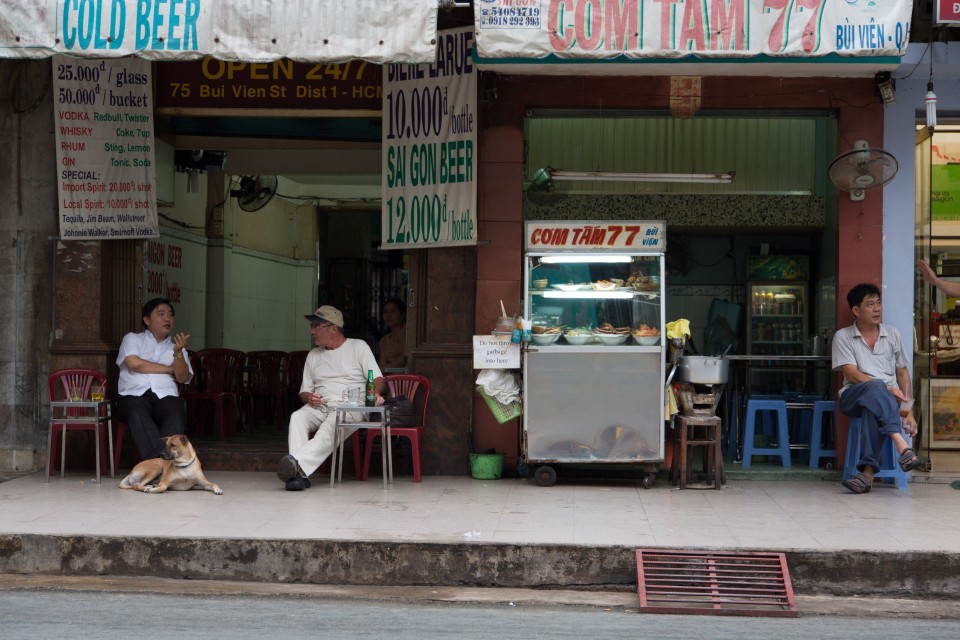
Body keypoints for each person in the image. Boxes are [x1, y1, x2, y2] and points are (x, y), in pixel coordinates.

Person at [278, 305, 387, 491]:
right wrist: (309, 398)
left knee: (332, 422)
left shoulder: (358, 347)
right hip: (320, 406)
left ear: (334, 328)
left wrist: (375, 393)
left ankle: (295, 468)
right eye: (312, 327)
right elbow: (303, 393)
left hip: (351, 406)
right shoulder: (313, 355)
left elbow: (377, 378)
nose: (312, 331)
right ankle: (298, 473)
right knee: (297, 417)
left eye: (316, 326)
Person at [832, 283, 921, 494]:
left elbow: (902, 374)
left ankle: (866, 475)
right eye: (870, 304)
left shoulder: (892, 334)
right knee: (876, 387)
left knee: (872, 408)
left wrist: (909, 411)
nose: (877, 309)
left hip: (881, 402)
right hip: (853, 396)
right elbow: (852, 374)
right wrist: (888, 390)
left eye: (879, 303)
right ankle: (902, 445)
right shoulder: (843, 336)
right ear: (856, 310)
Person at [116, 297, 194, 460]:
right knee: (136, 411)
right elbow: (134, 364)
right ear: (146, 320)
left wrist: (178, 353)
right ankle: (160, 461)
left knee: (175, 412)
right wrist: (168, 369)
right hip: (134, 395)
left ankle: (161, 464)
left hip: (165, 396)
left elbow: (182, 377)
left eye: (170, 315)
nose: (167, 318)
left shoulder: (177, 348)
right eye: (161, 314)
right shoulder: (133, 338)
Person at [378, 297, 407, 371]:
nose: (389, 315)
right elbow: (382, 363)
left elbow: (403, 359)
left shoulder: (408, 335)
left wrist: (382, 370)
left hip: (406, 378)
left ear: (403, 315)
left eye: (393, 311)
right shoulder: (384, 340)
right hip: (389, 378)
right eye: (385, 312)